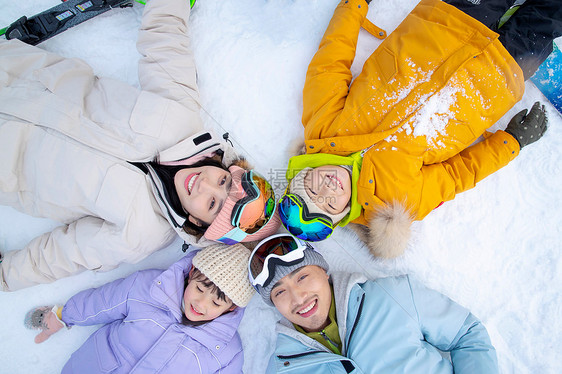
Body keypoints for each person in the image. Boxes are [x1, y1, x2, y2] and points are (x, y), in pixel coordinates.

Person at [0, 0, 280, 291]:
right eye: (223, 180)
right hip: (13, 72)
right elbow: (166, 45)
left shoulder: (140, 234)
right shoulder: (180, 117)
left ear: (199, 223)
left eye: (212, 204)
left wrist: (6, 275)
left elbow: (64, 254)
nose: (205, 185)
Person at [278, 0, 559, 258]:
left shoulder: (323, 125)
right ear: (342, 215)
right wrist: (511, 143)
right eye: (329, 205)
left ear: (302, 173)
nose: (326, 190)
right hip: (496, 76)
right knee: (548, 14)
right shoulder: (395, 204)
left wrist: (352, 7)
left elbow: (330, 61)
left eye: (312, 190)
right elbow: (457, 175)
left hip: (444, 24)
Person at [248, 234, 499, 373]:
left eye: (302, 277)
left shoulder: (394, 296)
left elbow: (465, 332)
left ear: (324, 272)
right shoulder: (283, 367)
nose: (298, 297)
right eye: (279, 293)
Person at [24, 243, 253, 373]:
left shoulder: (226, 352)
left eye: (216, 302)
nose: (200, 304)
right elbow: (103, 302)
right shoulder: (150, 288)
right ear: (191, 274)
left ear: (231, 308)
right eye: (199, 289)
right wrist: (64, 316)